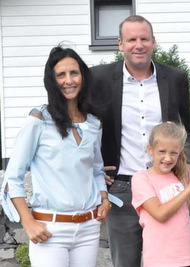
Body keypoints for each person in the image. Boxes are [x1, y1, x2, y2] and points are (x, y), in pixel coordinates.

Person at [90, 15, 190, 267]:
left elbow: (187, 128)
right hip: (123, 188)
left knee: (188, 259)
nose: (139, 44)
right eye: (131, 39)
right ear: (120, 44)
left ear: (154, 42)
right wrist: (94, 167)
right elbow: (84, 125)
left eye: (144, 38)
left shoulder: (174, 78)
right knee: (126, 263)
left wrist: (188, 163)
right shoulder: (98, 79)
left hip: (168, 185)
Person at [0, 46, 114, 266]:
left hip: (88, 229)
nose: (68, 80)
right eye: (61, 75)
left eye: (74, 73)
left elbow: (97, 170)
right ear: (52, 81)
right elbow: (12, 178)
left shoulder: (93, 123)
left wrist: (104, 198)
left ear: (83, 76)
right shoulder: (38, 120)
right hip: (49, 229)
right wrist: (28, 222)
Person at [131, 122, 190, 267]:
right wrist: (189, 188)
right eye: (162, 151)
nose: (168, 158)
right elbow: (160, 214)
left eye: (173, 153)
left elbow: (185, 222)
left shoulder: (180, 177)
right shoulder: (141, 178)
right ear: (150, 149)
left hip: (188, 260)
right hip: (159, 261)